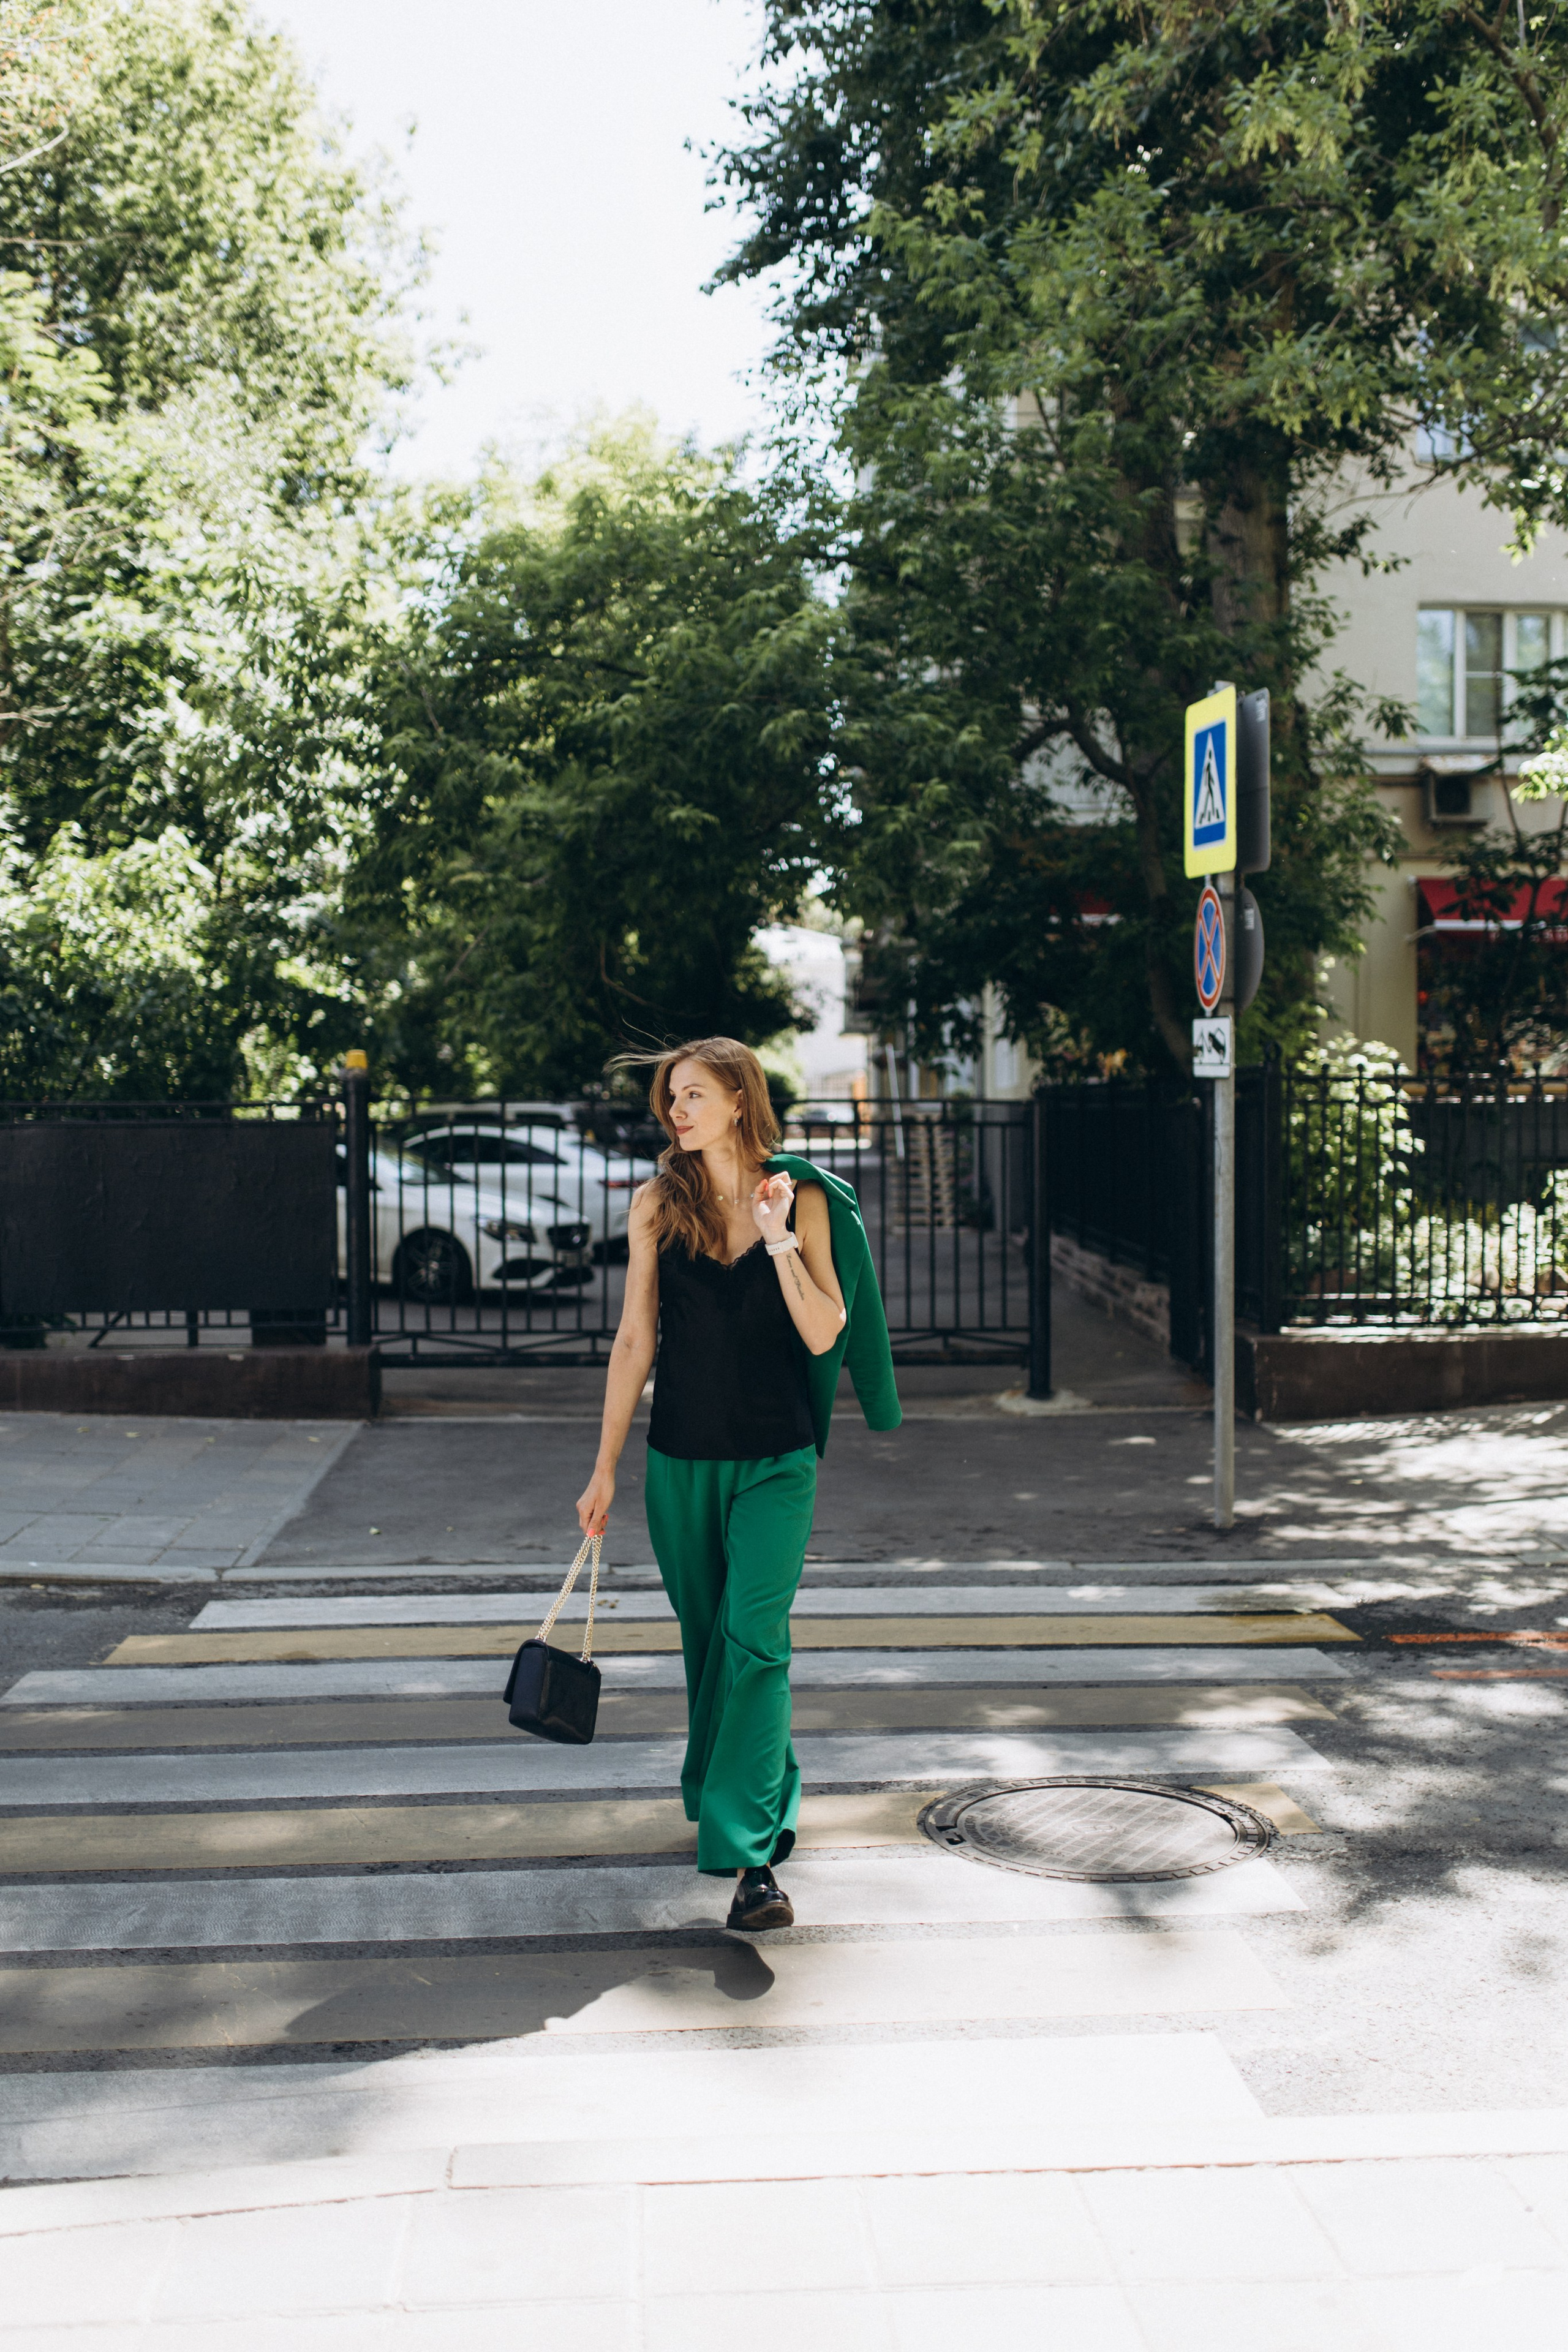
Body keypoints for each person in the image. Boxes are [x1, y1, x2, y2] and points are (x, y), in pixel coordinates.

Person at [576, 1036, 901, 1930]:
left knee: (755, 1641)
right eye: (670, 1098)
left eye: (692, 1095)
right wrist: (604, 1468)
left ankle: (752, 1863)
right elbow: (636, 1341)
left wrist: (779, 1238)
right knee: (710, 1644)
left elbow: (825, 1331)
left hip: (777, 1460)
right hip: (680, 1460)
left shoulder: (801, 1198)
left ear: (738, 1100)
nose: (675, 1111)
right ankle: (746, 1787)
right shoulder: (657, 1203)